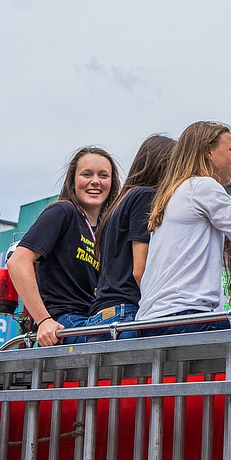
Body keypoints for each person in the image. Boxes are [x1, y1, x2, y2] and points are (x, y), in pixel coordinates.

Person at [137, 122, 231, 336]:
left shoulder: (170, 195)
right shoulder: (204, 187)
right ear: (208, 151)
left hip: (151, 319)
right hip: (185, 316)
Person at [7, 147, 121, 346]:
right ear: (72, 181)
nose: (96, 181)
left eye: (103, 175)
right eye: (87, 174)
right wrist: (44, 321)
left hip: (92, 318)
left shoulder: (106, 228)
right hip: (65, 321)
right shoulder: (63, 212)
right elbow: (18, 261)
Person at [85, 134, 176, 339]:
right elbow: (139, 269)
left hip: (104, 314)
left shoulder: (120, 202)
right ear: (164, 164)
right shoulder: (145, 196)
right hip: (126, 313)